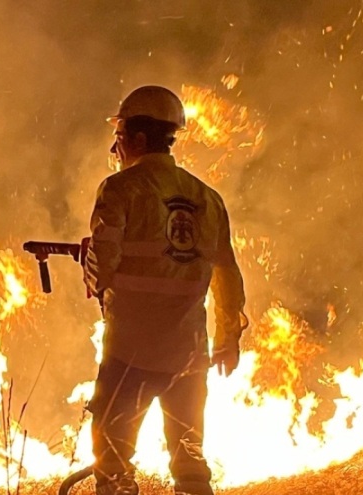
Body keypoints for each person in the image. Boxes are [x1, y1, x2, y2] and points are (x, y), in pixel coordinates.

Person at [83, 85, 248, 495]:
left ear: (137, 139)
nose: (116, 148)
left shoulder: (120, 189)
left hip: (130, 351)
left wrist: (90, 268)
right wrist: (228, 339)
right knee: (189, 457)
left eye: (119, 138)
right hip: (190, 352)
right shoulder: (207, 197)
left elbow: (100, 269)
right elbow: (227, 273)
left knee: (115, 460)